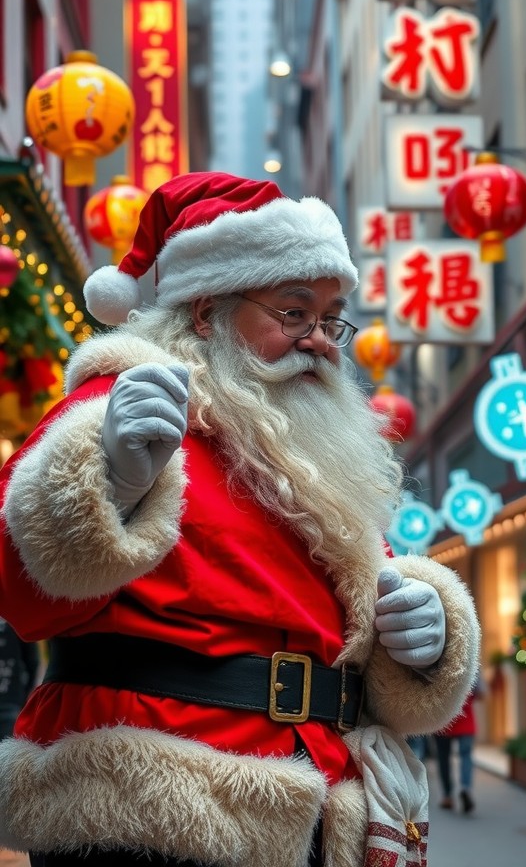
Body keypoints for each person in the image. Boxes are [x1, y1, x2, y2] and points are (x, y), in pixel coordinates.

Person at [0, 173, 480, 867]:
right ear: (206, 312)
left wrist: (425, 639)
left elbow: (353, 625)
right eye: (293, 312)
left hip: (317, 803)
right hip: (152, 810)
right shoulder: (126, 407)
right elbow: (20, 591)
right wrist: (105, 480)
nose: (320, 339)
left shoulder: (318, 446)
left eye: (330, 317)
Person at [434, 677, 484, 814]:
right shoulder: (473, 661)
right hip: (466, 717)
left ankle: (448, 795)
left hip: (444, 718)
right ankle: (465, 787)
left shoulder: (439, 660)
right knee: (466, 755)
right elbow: (481, 692)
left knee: (444, 758)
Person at [0, 618, 40, 741]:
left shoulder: (16, 622)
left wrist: (25, 697)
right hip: (13, 703)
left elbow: (33, 663)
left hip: (11, 704)